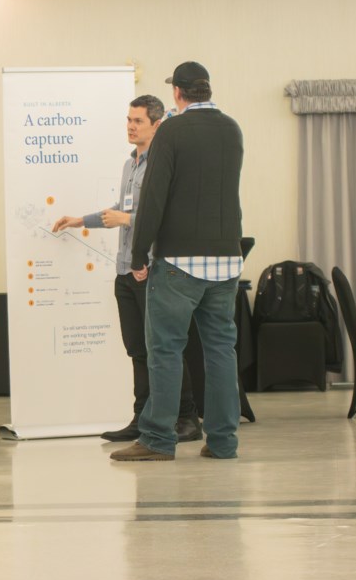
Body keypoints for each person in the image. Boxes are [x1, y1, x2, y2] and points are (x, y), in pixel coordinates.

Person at [111, 61, 244, 462]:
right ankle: (223, 442)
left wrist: (138, 255)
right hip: (227, 260)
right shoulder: (232, 128)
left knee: (165, 350)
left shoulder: (171, 131)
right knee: (221, 351)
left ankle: (156, 440)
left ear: (177, 93)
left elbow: (153, 199)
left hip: (179, 262)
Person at [52, 95, 202, 443]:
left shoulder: (165, 163)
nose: (131, 127)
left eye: (138, 121)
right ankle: (142, 418)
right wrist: (81, 220)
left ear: (157, 124)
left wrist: (128, 219)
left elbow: (169, 217)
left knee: (163, 348)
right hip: (125, 270)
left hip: (152, 271)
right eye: (129, 120)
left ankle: (187, 418)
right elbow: (123, 209)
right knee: (137, 349)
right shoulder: (129, 164)